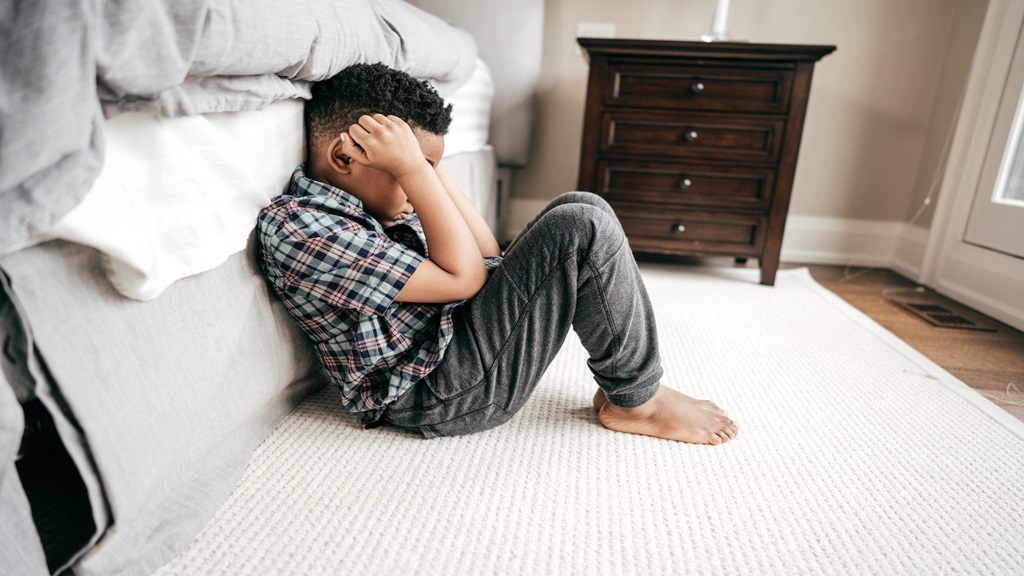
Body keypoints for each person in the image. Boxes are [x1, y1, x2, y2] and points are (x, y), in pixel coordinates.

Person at [256, 63, 738, 445]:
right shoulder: (304, 229)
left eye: (425, 169)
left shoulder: (377, 201)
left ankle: (630, 388)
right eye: (413, 170)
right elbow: (464, 280)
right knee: (583, 227)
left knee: (581, 207)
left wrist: (425, 168)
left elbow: (487, 258)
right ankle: (638, 402)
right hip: (433, 393)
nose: (419, 181)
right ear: (345, 157)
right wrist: (413, 169)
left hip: (454, 343)